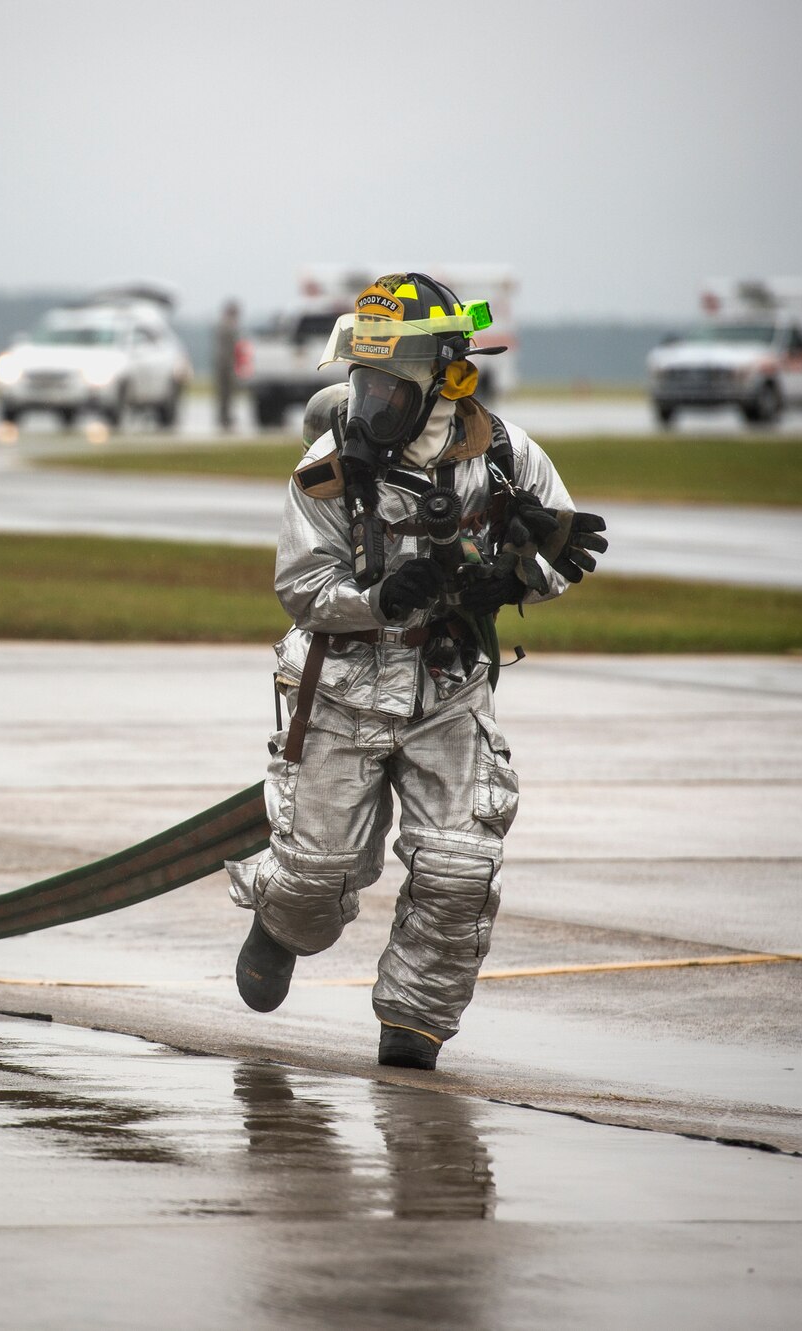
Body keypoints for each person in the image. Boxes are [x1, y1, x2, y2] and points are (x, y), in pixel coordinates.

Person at [224, 272, 607, 1070]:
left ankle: (414, 1028)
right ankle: (279, 922)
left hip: (450, 688)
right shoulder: (327, 469)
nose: (370, 407)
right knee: (316, 880)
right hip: (340, 692)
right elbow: (300, 589)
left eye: (389, 390)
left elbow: (565, 548)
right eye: (362, 386)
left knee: (460, 867)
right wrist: (378, 599)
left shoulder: (504, 454)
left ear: (444, 381)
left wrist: (525, 571)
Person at [212, 299, 241, 433]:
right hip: (225, 363)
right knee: (225, 393)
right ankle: (224, 417)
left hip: (223, 362)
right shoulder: (228, 325)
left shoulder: (223, 324)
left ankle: (224, 416)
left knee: (226, 393)